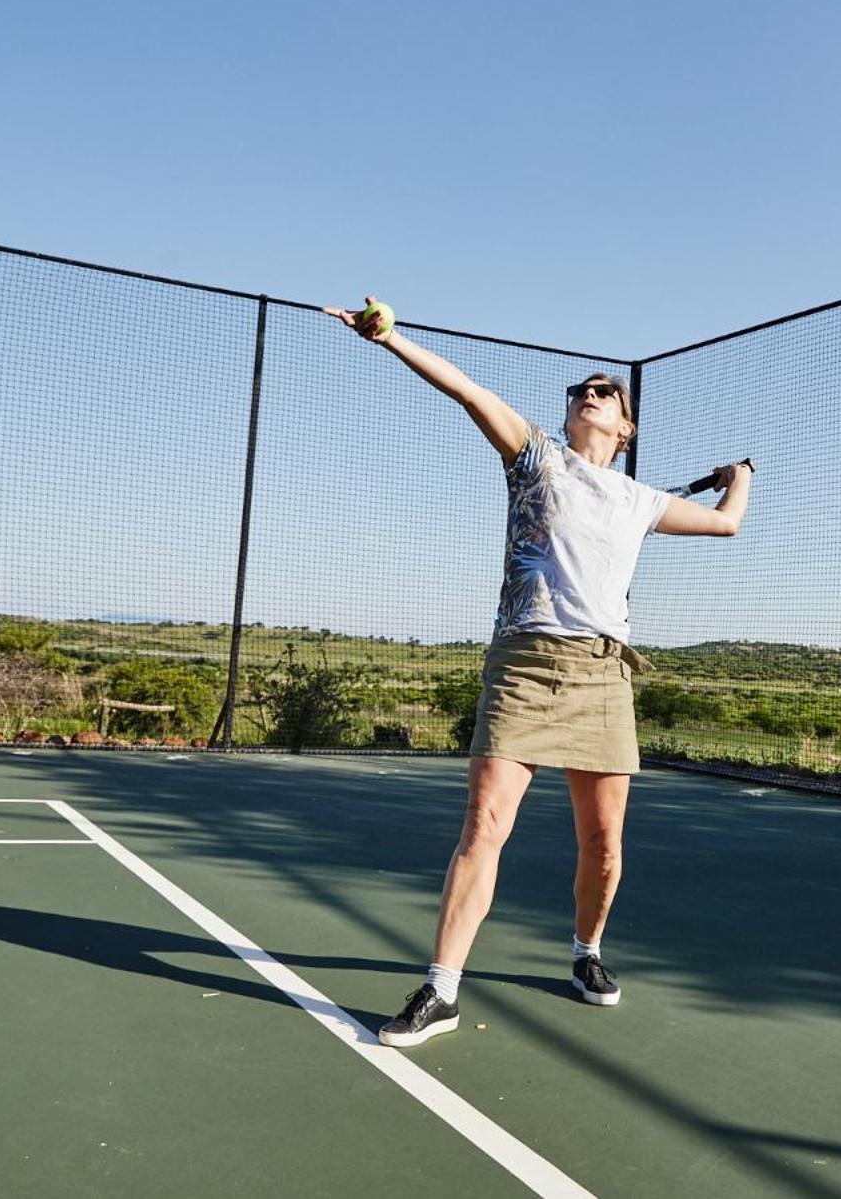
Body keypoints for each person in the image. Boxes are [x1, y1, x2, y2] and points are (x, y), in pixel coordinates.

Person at [320, 298, 752, 1049]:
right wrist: (391, 339)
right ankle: (442, 989)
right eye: (584, 387)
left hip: (603, 672)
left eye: (608, 392)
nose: (593, 391)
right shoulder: (535, 455)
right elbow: (465, 390)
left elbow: (726, 522)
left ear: (626, 428)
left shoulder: (642, 499)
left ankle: (587, 952)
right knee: (485, 825)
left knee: (604, 843)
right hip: (524, 661)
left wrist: (738, 474)